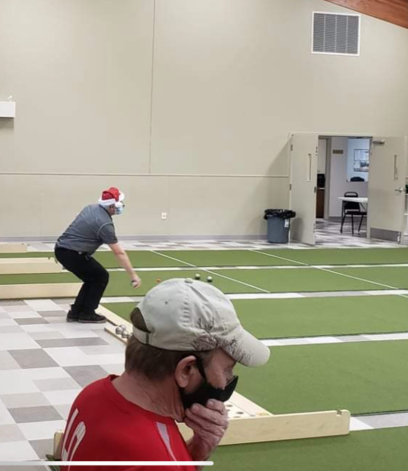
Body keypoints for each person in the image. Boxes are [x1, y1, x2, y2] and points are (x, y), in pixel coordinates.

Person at [59, 278, 270, 469]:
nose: (226, 382)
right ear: (186, 370)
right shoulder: (153, 458)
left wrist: (201, 446)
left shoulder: (92, 395)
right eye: (227, 369)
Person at [54, 187, 141, 323]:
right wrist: (133, 275)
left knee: (92, 278)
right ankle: (87, 313)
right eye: (120, 203)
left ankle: (76, 312)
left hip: (62, 249)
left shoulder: (90, 208)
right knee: (101, 276)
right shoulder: (104, 224)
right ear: (112, 206)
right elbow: (119, 252)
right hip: (72, 253)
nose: (121, 206)